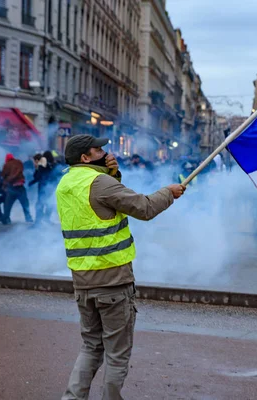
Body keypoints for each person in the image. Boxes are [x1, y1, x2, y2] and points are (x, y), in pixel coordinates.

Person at [56, 135, 185, 400]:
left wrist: (111, 173)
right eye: (99, 150)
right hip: (113, 281)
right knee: (117, 353)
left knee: (91, 347)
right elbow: (144, 208)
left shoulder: (67, 182)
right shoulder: (99, 181)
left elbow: (100, 206)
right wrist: (168, 193)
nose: (106, 152)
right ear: (85, 158)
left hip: (83, 280)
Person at [2, 153, 33, 224]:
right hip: (20, 187)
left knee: (8, 205)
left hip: (11, 188)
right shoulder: (19, 162)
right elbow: (21, 170)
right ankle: (28, 218)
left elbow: (3, 175)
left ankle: (6, 218)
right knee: (25, 204)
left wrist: (5, 183)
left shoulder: (6, 165)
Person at [29, 151, 56, 225]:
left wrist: (37, 168)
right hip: (51, 187)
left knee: (40, 204)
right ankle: (46, 218)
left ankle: (38, 222)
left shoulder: (42, 164)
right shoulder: (54, 165)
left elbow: (37, 176)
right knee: (50, 203)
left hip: (43, 187)